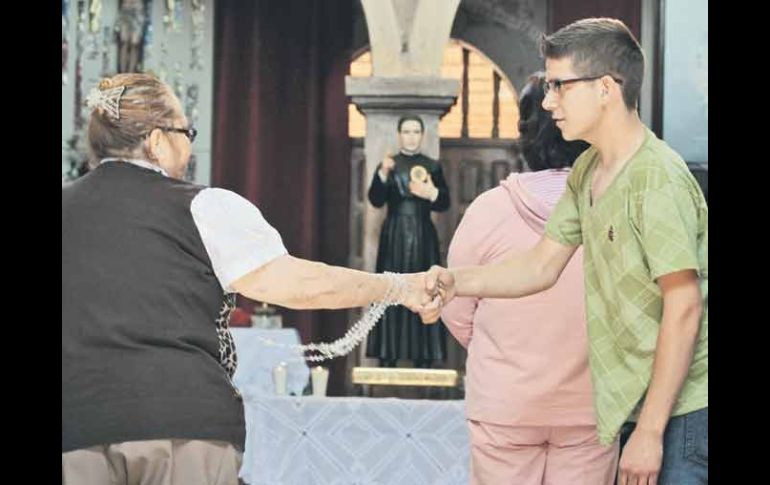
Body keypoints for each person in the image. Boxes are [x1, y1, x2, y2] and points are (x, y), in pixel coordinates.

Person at [62, 73, 437, 485]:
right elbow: (299, 284)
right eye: (185, 132)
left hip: (75, 427)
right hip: (180, 424)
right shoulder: (203, 207)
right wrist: (397, 286)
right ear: (155, 141)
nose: (189, 145)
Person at [423, 18, 708, 485]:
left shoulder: (657, 178)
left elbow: (685, 306)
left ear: (606, 88)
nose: (548, 101)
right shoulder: (589, 170)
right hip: (638, 402)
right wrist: (458, 281)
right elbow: (540, 266)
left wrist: (650, 432)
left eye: (560, 85)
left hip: (682, 410)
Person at [441, 72, 617, 485]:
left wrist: (502, 350)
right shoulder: (615, 209)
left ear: (524, 133)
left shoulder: (488, 210)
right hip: (591, 403)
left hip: (505, 402)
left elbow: (456, 306)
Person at [365, 115, 451, 368]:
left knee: (425, 289)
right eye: (407, 131)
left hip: (424, 235)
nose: (411, 137)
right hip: (394, 235)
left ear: (422, 135)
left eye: (416, 132)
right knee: (391, 290)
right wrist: (382, 173)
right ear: (399, 135)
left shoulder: (432, 166)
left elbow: (444, 202)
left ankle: (424, 357)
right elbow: (376, 200)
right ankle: (387, 355)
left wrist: (431, 192)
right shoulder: (389, 165)